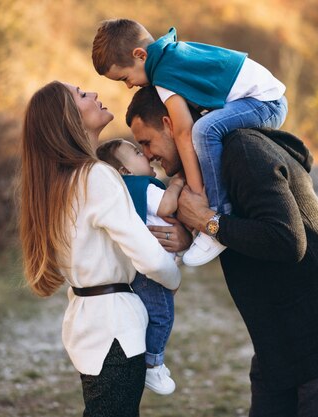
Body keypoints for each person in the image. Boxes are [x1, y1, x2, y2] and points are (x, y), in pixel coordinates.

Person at [125, 86, 318, 417]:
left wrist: (209, 222)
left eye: (146, 143)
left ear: (169, 123)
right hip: (278, 330)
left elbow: (287, 239)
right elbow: (239, 232)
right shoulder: (205, 169)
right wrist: (194, 234)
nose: (147, 156)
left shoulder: (241, 150)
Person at [19, 81, 190, 416]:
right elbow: (151, 258)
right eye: (82, 95)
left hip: (87, 321)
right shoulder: (95, 175)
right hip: (115, 326)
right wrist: (173, 279)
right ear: (68, 119)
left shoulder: (62, 181)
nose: (94, 94)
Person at [92, 18, 288, 267]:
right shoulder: (170, 57)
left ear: (140, 55)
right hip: (262, 99)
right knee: (206, 132)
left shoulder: (164, 73)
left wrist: (199, 200)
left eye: (124, 78)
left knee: (204, 131)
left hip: (265, 101)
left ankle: (217, 215)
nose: (129, 85)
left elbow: (183, 131)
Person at [96, 138, 185, 395]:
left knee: (158, 314)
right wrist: (177, 182)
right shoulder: (140, 186)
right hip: (150, 272)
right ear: (126, 171)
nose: (145, 155)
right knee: (162, 316)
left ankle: (153, 361)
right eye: (137, 152)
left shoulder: (126, 189)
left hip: (144, 271)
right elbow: (168, 205)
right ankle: (152, 364)